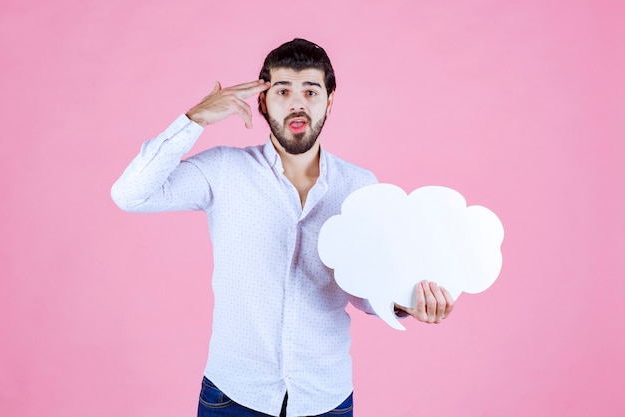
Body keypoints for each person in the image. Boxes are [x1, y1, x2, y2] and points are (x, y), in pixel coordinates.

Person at [111, 38, 454, 417]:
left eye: (311, 90)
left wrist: (403, 303)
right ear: (262, 100)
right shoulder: (225, 171)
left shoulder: (360, 186)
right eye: (283, 90)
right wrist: (194, 119)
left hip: (325, 398)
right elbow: (131, 195)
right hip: (233, 396)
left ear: (330, 99)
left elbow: (362, 289)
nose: (297, 103)